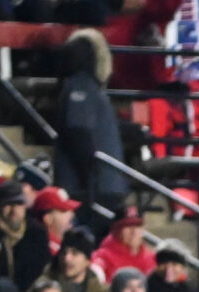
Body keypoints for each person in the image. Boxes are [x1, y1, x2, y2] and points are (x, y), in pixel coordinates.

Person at [56, 29, 128, 212]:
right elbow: (77, 131)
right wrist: (91, 175)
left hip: (101, 185)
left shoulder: (87, 86)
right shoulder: (82, 84)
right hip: (94, 189)